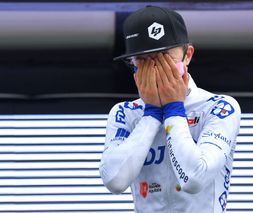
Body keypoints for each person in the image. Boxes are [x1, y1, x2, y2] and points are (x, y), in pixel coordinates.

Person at [99, 5, 241, 213]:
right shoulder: (124, 113)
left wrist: (174, 109)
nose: (156, 69)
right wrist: (152, 113)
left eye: (164, 57)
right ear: (132, 64)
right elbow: (115, 182)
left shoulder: (219, 107)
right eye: (144, 60)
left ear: (188, 55)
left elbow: (193, 180)